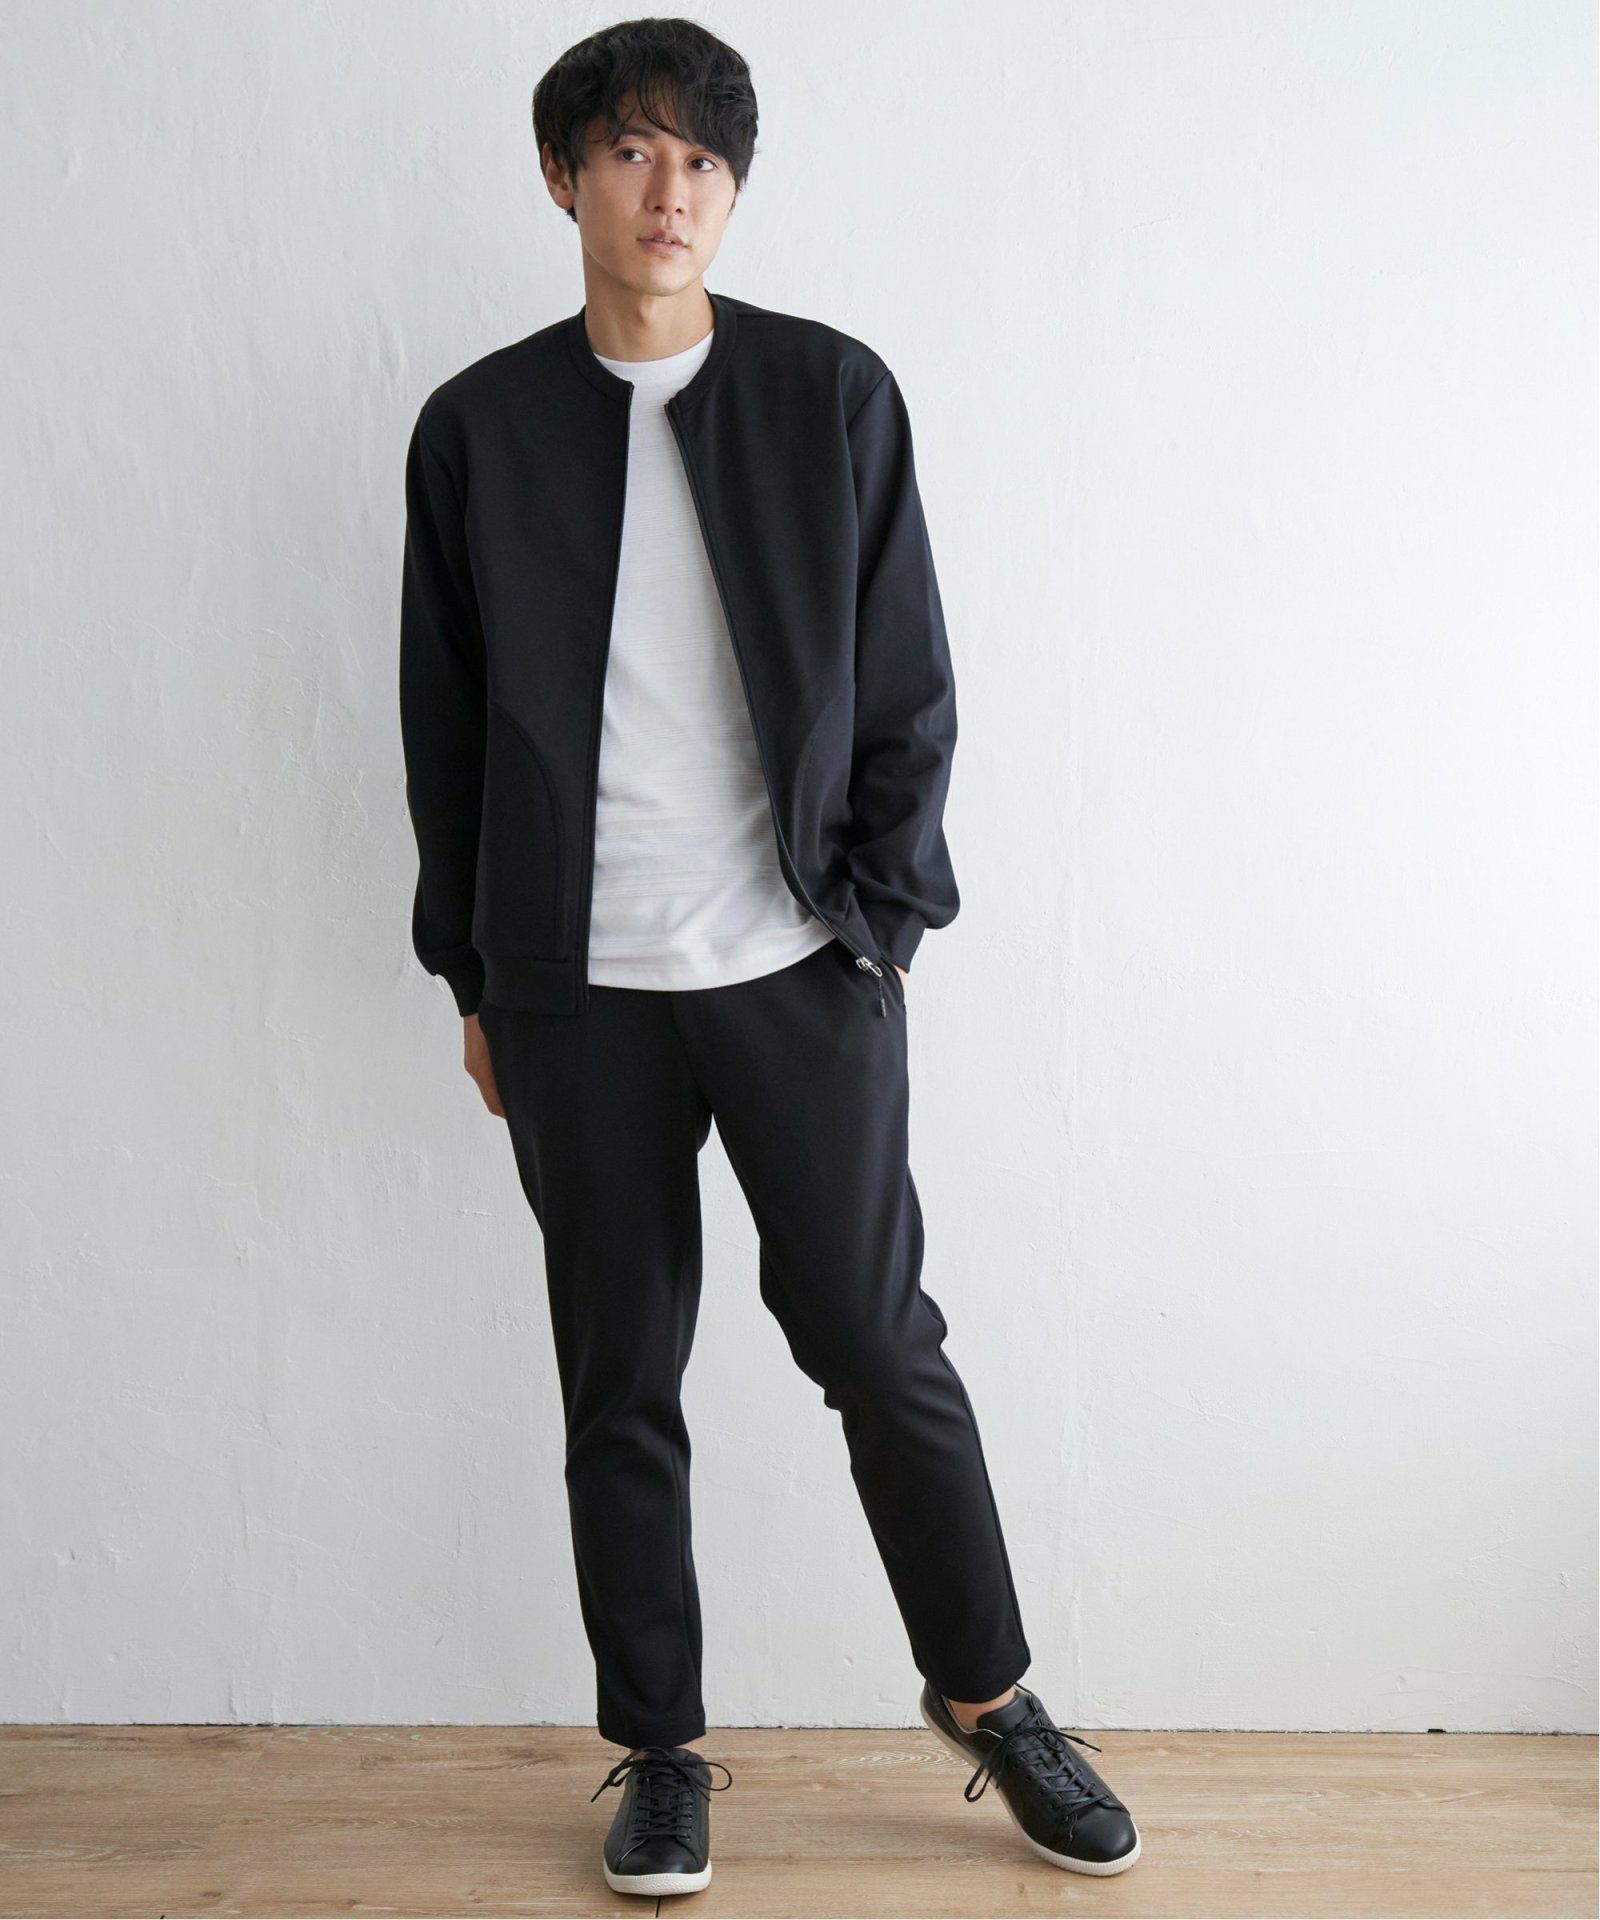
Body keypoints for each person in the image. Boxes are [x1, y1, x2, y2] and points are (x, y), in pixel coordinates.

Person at [399, 15, 1141, 1895]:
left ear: (733, 193)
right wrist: (472, 976)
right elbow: (445, 723)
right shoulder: (480, 428)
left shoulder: (830, 395)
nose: (672, 191)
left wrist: (875, 929)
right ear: (564, 175)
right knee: (619, 1373)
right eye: (632, 152)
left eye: (705, 162)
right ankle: (659, 1749)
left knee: (880, 1346)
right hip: (574, 990)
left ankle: (991, 1699)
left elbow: (911, 685)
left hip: (798, 968)